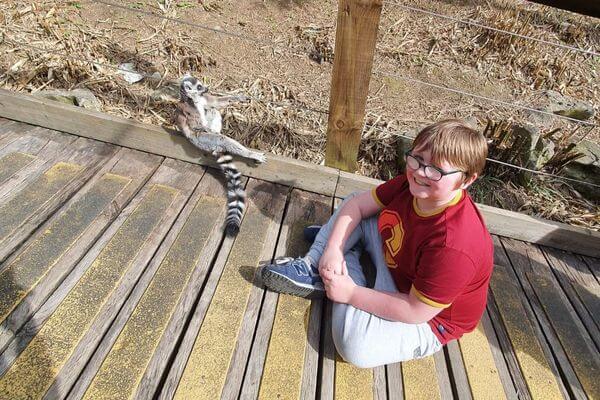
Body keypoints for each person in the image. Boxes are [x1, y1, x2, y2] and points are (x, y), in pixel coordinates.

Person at [261, 119, 494, 368]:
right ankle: (316, 263)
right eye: (417, 158)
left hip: (429, 318)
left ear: (467, 180)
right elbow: (357, 204)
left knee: (356, 348)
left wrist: (351, 293)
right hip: (397, 260)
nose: (421, 172)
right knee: (356, 207)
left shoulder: (455, 245)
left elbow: (416, 311)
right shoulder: (412, 183)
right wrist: (333, 249)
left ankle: (342, 268)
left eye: (437, 170)